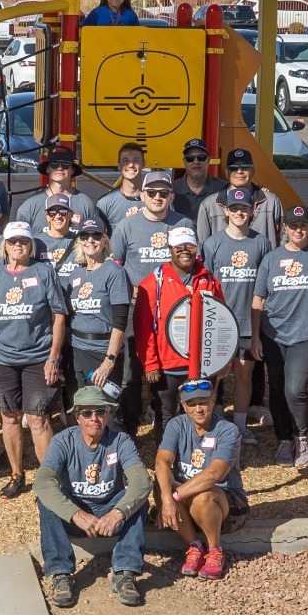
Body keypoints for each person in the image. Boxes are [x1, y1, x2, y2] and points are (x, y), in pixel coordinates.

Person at [35, 385, 151, 609]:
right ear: (77, 417)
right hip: (75, 514)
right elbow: (42, 482)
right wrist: (75, 514)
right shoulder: (62, 441)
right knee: (46, 500)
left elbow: (141, 481)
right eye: (87, 413)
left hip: (110, 512)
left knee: (138, 499)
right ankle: (61, 573)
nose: (94, 418)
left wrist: (118, 512)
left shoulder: (121, 441)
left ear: (108, 414)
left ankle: (125, 571)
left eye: (100, 412)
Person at [0, 221, 69, 498]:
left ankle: (49, 482)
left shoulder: (43, 272)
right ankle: (16, 474)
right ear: (5, 246)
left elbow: (58, 316)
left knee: (38, 419)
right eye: (13, 241)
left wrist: (53, 357)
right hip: (2, 360)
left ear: (31, 245)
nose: (18, 245)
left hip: (38, 358)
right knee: (9, 417)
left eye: (23, 241)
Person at [252, 206, 308, 469]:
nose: (298, 230)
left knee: (295, 388)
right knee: (277, 387)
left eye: (303, 225)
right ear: (285, 228)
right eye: (293, 226)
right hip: (273, 334)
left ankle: (302, 437)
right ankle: (284, 439)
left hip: (307, 334)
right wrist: (256, 337)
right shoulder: (272, 258)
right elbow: (258, 299)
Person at [109, 170, 192, 431]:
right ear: (142, 195)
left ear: (171, 196)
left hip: (175, 309)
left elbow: (193, 265)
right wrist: (128, 290)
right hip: (137, 307)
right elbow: (115, 268)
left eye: (163, 193)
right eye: (152, 192)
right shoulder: (126, 226)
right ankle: (130, 425)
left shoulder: (183, 224)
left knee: (170, 367)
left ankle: (164, 420)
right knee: (132, 370)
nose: (157, 197)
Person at [133, 227, 227, 429]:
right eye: (179, 246)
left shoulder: (209, 280)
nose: (185, 250)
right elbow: (143, 327)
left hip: (204, 361)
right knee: (166, 414)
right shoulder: (153, 283)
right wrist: (150, 363)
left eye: (190, 246)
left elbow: (222, 321)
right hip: (168, 363)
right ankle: (166, 450)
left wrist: (222, 358)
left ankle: (199, 448)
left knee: (202, 412)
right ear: (170, 249)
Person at [155, 379, 246, 582]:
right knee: (161, 481)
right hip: (186, 496)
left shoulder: (227, 430)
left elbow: (214, 474)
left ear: (213, 401)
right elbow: (162, 461)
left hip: (224, 499)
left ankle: (215, 550)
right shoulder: (176, 425)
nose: (198, 409)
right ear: (183, 406)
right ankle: (194, 546)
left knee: (202, 495)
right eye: (192, 404)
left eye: (203, 402)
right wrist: (166, 496)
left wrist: (172, 498)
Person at [201, 188, 269, 427]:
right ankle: (209, 425)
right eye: (234, 208)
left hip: (248, 324)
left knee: (244, 376)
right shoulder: (212, 244)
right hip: (219, 323)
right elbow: (205, 286)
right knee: (214, 378)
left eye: (244, 208)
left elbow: (265, 287)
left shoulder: (261, 243)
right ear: (226, 211)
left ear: (252, 211)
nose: (239, 213)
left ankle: (239, 427)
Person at [63, 218, 131, 404]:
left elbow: (120, 322)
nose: (90, 240)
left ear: (105, 241)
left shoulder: (115, 272)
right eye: (84, 236)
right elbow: (69, 317)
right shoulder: (75, 274)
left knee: (105, 409)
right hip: (75, 350)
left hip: (102, 351)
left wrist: (109, 360)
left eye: (96, 235)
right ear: (79, 241)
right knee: (79, 408)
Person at [196, 148, 282, 246]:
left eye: (245, 167)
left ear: (253, 171)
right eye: (233, 168)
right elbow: (202, 246)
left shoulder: (271, 202)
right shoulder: (209, 205)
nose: (239, 171)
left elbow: (284, 239)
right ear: (226, 172)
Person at [13, 148, 96, 228]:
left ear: (73, 170)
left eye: (65, 165)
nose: (60, 168)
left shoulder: (86, 204)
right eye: (54, 165)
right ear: (47, 169)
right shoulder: (30, 205)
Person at [171, 137, 228, 221]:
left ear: (208, 160)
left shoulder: (224, 189)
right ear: (184, 162)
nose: (196, 162)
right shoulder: (172, 190)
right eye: (190, 158)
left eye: (201, 157)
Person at [94, 142, 148, 228]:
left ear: (143, 164)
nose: (131, 165)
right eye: (126, 160)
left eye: (136, 160)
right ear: (118, 165)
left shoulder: (155, 199)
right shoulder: (105, 202)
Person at [34, 195, 82, 279]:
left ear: (71, 214)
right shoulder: (36, 243)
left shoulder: (80, 241)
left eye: (63, 212)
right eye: (52, 212)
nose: (58, 216)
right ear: (47, 216)